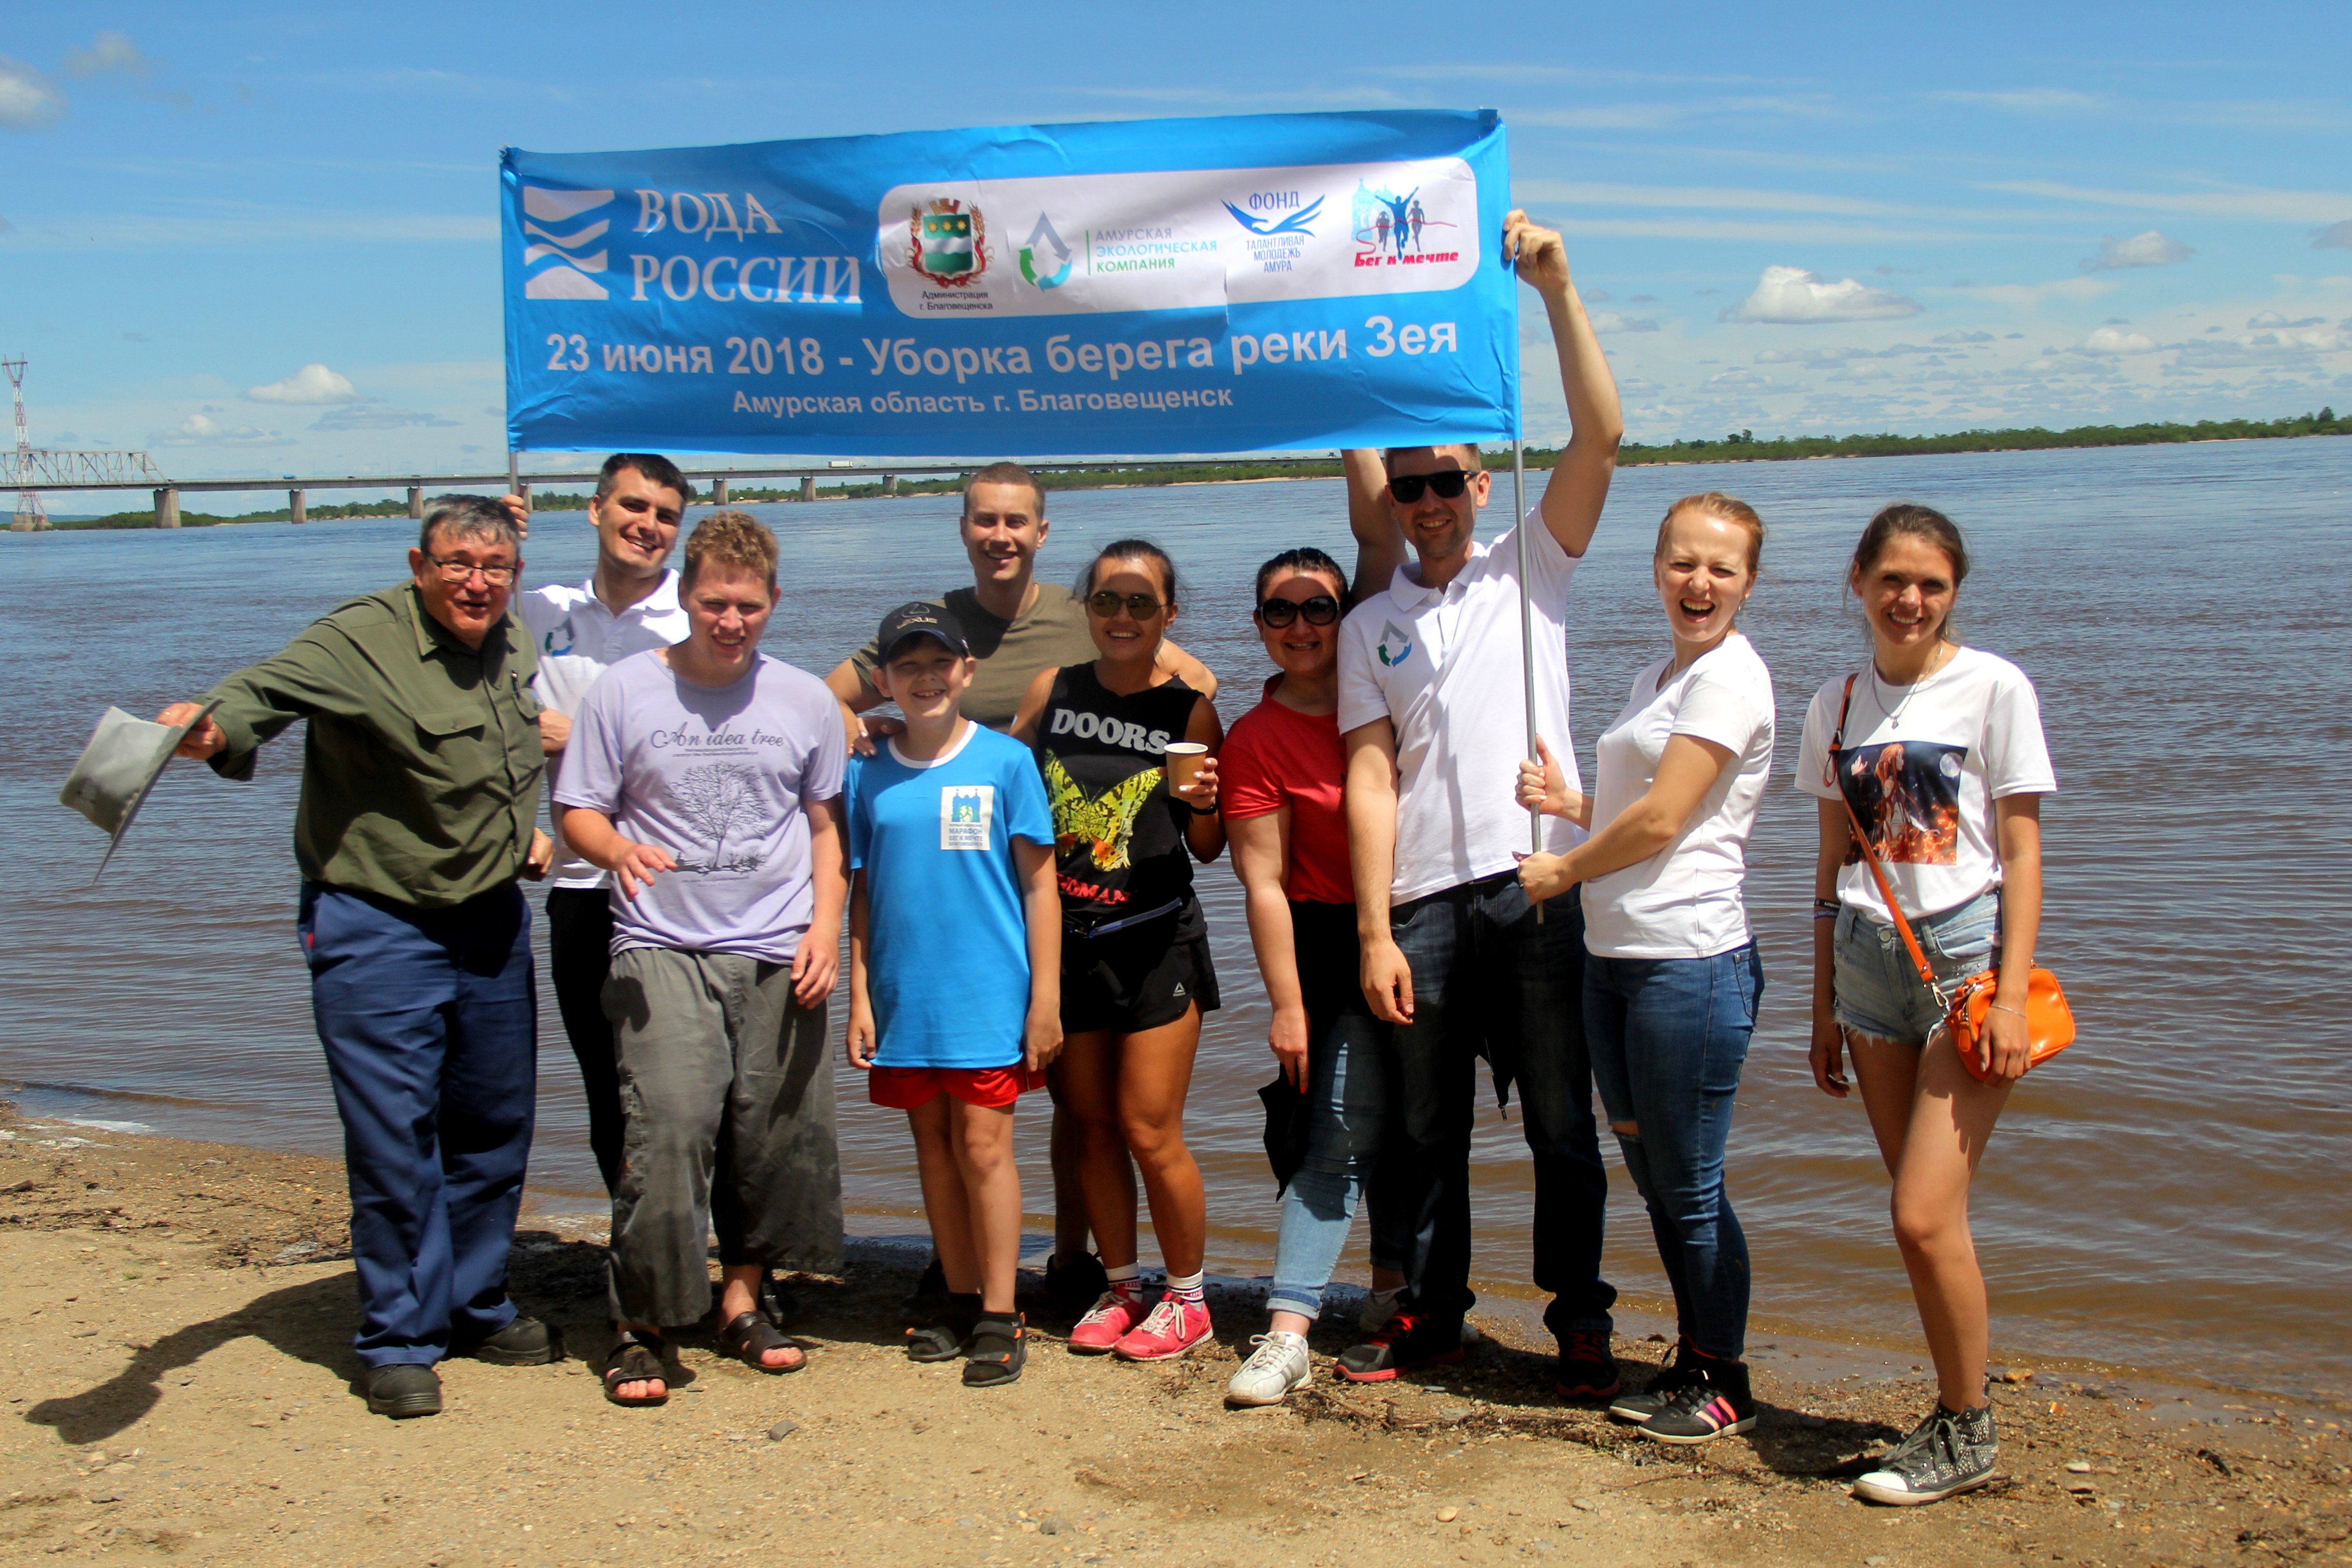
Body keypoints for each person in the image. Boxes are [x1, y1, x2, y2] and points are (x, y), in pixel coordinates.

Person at [154, 496, 559, 1420]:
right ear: (419, 565)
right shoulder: (360, 637)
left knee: (494, 1122)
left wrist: (527, 831)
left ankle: (471, 1299)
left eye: (495, 568)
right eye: (457, 563)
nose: (476, 582)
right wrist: (209, 728)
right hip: (376, 924)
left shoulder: (511, 643)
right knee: (394, 1139)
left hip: (489, 920)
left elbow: (500, 753)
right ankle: (399, 1337)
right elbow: (261, 692)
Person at [1336, 209, 1624, 1391]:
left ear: (1475, 481)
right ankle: (1435, 1315)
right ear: (1392, 501)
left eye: (1450, 479)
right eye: (1411, 487)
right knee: (1423, 1131)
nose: (1432, 499)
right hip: (1420, 901)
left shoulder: (1531, 565)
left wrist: (1556, 286)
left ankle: (1578, 1316)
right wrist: (1370, 928)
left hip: (1537, 882)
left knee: (1562, 1121)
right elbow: (1367, 773)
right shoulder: (1370, 624)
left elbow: (1600, 438)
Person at [826, 461, 1214, 1318]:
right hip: (975, 895)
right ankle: (969, 1266)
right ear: (964, 529)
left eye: (1016, 522)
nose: (999, 536)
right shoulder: (933, 627)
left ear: (1042, 533)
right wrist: (882, 729)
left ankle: (1078, 1258)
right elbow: (824, 704)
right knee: (981, 1106)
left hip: (1065, 893)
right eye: (984, 521)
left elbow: (1195, 684)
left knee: (1077, 1115)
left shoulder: (1083, 619)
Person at [554, 512, 848, 1407]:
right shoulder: (621, 692)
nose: (731, 620)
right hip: (661, 943)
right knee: (669, 1127)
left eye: (748, 605)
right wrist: (615, 853)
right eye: (715, 602)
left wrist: (825, 928)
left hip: (778, 946)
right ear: (684, 596)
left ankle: (743, 1300)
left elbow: (827, 827)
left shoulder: (804, 699)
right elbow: (577, 810)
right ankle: (639, 1325)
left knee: (771, 1136)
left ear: (773, 602)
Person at [1797, 504, 2055, 1504]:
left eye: (1932, 585)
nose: (1910, 599)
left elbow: (2024, 851)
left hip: (1962, 959)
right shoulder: (1838, 699)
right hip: (1866, 962)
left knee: (1919, 1213)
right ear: (1857, 582)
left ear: (1953, 592)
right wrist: (1821, 1001)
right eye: (1892, 579)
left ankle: (1966, 1426)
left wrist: (2010, 996)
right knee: (1922, 1216)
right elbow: (1829, 862)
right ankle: (1953, 1412)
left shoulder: (1993, 686)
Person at [1514, 493, 1775, 1443]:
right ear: (1656, 566)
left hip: (1688, 965)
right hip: (1613, 960)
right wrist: (1575, 803)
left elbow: (1667, 823)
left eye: (1720, 568)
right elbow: (1653, 810)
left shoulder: (1729, 678)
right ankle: (1700, 1353)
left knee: (1691, 1185)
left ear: (1749, 581)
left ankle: (1724, 1377)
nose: (1698, 583)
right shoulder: (1660, 674)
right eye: (1681, 563)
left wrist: (1563, 867)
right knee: (1654, 1174)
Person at [1010, 539, 1224, 1361]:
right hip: (1067, 939)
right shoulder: (1052, 692)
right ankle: (1124, 1282)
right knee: (1088, 1120)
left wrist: (1203, 799)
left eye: (1142, 602)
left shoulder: (1190, 710)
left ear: (1169, 614)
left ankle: (1189, 1296)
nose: (1123, 616)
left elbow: (1209, 846)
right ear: (1085, 609)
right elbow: (997, 776)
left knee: (1147, 1124)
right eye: (1107, 600)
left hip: (1156, 940)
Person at [845, 603, 1062, 1388]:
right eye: (908, 665)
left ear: (966, 671)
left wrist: (1046, 999)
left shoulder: (1004, 761)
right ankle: (960, 1294)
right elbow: (861, 894)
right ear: (884, 681)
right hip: (907, 994)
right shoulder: (864, 771)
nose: (925, 677)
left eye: (940, 662)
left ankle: (1002, 1313)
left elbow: (1041, 888)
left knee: (983, 1145)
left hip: (988, 992)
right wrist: (860, 995)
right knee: (932, 1148)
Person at [1220, 544, 1411, 1407]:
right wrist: (1287, 1004)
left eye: (1319, 608)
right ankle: (1288, 1328)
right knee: (1333, 1128)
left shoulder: (1392, 695)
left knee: (1423, 1128)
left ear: (1348, 613)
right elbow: (1263, 880)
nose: (1301, 627)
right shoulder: (1256, 737)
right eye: (1280, 612)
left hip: (1426, 921)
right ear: (1258, 624)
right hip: (1328, 940)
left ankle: (1398, 1296)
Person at [512, 454, 692, 1198]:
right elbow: (445, 680)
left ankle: (723, 1256)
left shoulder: (697, 616)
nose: (646, 525)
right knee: (606, 1082)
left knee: (691, 1085)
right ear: (594, 510)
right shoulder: (534, 609)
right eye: (632, 506)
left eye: (665, 515)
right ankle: (636, 1250)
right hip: (582, 886)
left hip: (675, 888)